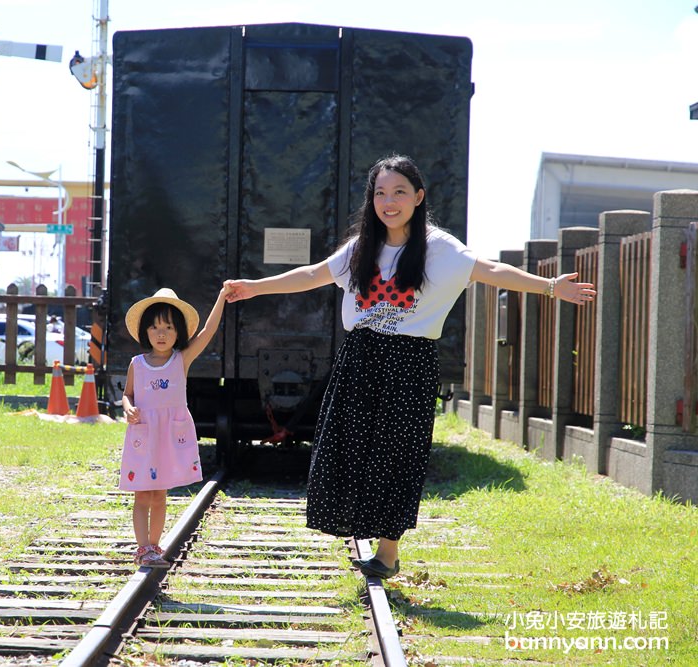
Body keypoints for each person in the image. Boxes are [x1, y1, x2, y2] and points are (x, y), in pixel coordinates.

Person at [224, 154, 595, 579]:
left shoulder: (440, 248)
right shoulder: (362, 247)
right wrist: (253, 288)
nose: (389, 201)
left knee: (398, 454)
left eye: (399, 191)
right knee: (350, 446)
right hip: (360, 357)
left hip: (409, 362)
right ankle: (361, 528)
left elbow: (490, 270)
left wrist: (549, 287)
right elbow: (312, 274)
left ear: (418, 197)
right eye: (380, 193)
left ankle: (387, 551)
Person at [120, 286, 227, 567]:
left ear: (179, 331)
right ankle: (143, 548)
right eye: (155, 327)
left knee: (160, 494)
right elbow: (127, 393)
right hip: (144, 435)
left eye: (168, 326)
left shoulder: (182, 360)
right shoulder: (137, 364)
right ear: (145, 331)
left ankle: (154, 546)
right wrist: (128, 407)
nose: (161, 333)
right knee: (142, 493)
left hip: (168, 437)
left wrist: (221, 298)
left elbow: (208, 331)